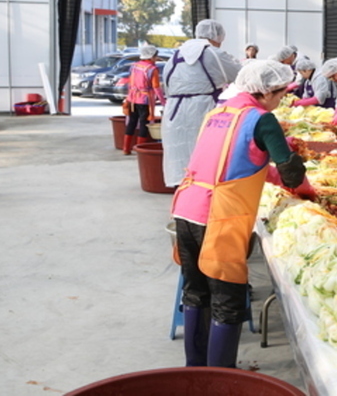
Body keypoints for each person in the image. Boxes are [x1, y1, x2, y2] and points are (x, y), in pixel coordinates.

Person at [171, 60, 307, 368]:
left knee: (196, 293)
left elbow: (243, 162)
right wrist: (304, 188)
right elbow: (289, 171)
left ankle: (196, 371)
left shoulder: (218, 113)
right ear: (267, 92)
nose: (282, 99)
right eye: (282, 93)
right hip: (218, 216)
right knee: (228, 301)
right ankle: (220, 379)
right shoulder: (263, 119)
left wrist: (278, 178)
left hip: (186, 209)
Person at [162, 20, 242, 187]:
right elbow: (239, 76)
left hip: (174, 112)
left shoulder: (175, 55)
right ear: (216, 36)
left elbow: (167, 85)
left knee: (181, 159)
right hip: (202, 109)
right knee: (205, 157)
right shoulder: (213, 53)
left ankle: (183, 199)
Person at [122, 45, 166, 155]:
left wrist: (128, 99)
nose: (156, 58)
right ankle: (139, 149)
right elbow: (156, 86)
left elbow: (130, 83)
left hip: (132, 98)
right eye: (156, 56)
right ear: (151, 56)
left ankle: (126, 149)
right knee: (144, 124)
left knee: (131, 123)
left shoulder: (134, 66)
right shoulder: (152, 69)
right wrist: (163, 101)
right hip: (144, 100)